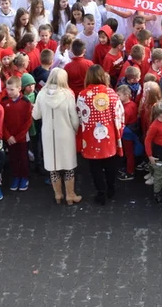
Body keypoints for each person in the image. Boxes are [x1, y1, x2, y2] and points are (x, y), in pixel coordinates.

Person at [76, 64, 124, 205]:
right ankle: (111, 188)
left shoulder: (83, 95)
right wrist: (118, 131)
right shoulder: (110, 93)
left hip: (91, 137)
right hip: (109, 136)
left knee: (95, 166)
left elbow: (80, 116)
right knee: (110, 164)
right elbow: (119, 114)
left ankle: (101, 192)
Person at [32, 68, 81, 205]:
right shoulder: (68, 95)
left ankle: (57, 195)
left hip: (48, 134)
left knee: (53, 167)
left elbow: (36, 115)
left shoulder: (41, 94)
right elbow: (74, 118)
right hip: (65, 133)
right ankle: (70, 195)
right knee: (68, 166)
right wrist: (76, 130)